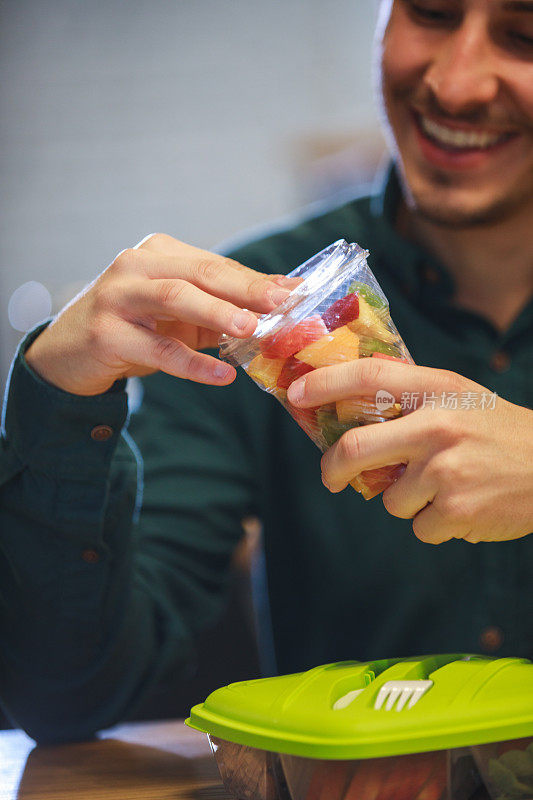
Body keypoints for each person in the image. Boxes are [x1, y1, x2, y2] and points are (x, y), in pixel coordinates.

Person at [1, 0, 532, 744]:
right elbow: (70, 697)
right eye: (432, 12)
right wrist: (58, 400)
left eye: (523, 35)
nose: (456, 83)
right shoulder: (247, 323)